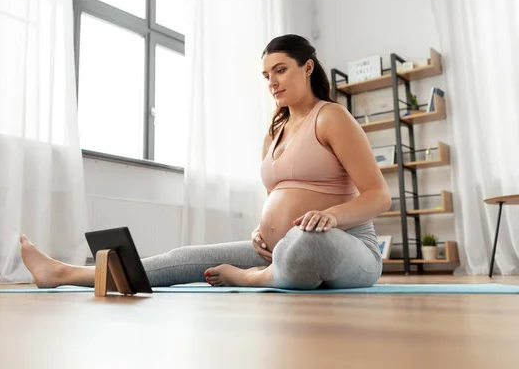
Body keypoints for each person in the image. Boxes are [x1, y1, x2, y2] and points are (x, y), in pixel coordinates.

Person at [20, 34, 391, 290]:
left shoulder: (331, 117)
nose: (272, 82)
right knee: (185, 258)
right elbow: (278, 200)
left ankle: (251, 280)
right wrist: (261, 233)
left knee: (306, 244)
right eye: (266, 75)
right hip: (279, 250)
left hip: (346, 247)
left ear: (307, 68)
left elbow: (378, 196)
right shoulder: (274, 130)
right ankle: (63, 273)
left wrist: (332, 217)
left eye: (280, 70)